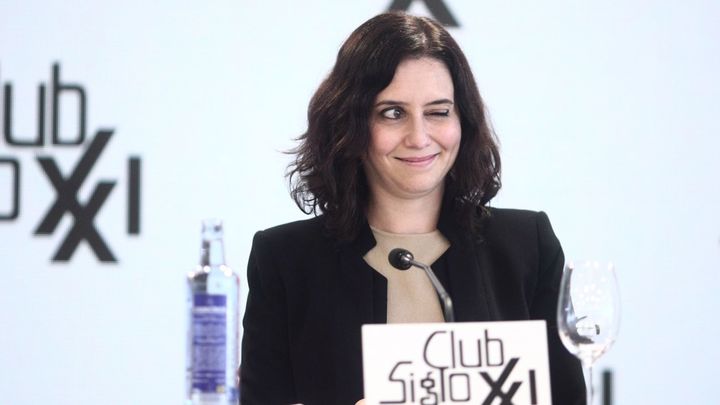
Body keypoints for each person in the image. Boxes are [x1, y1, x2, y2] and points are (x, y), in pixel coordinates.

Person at [240, 11, 585, 405]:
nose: (419, 137)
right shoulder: (285, 259)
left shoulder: (527, 247)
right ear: (350, 124)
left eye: (438, 112)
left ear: (463, 121)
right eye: (393, 113)